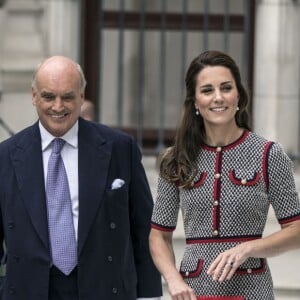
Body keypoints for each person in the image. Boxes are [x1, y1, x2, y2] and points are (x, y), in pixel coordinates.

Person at [0, 55, 162, 300]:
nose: (58, 106)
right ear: (33, 97)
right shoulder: (6, 155)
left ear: (81, 97)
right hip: (28, 290)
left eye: (67, 97)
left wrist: (149, 296)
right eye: (48, 96)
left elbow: (143, 229)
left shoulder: (119, 148)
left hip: (103, 288)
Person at [149, 50, 300, 300]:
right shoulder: (175, 159)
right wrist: (173, 280)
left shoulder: (269, 154)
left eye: (226, 88)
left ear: (238, 94)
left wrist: (250, 248)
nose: (218, 98)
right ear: (195, 101)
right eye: (207, 90)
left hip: (253, 291)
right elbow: (159, 236)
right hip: (194, 292)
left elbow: (296, 230)